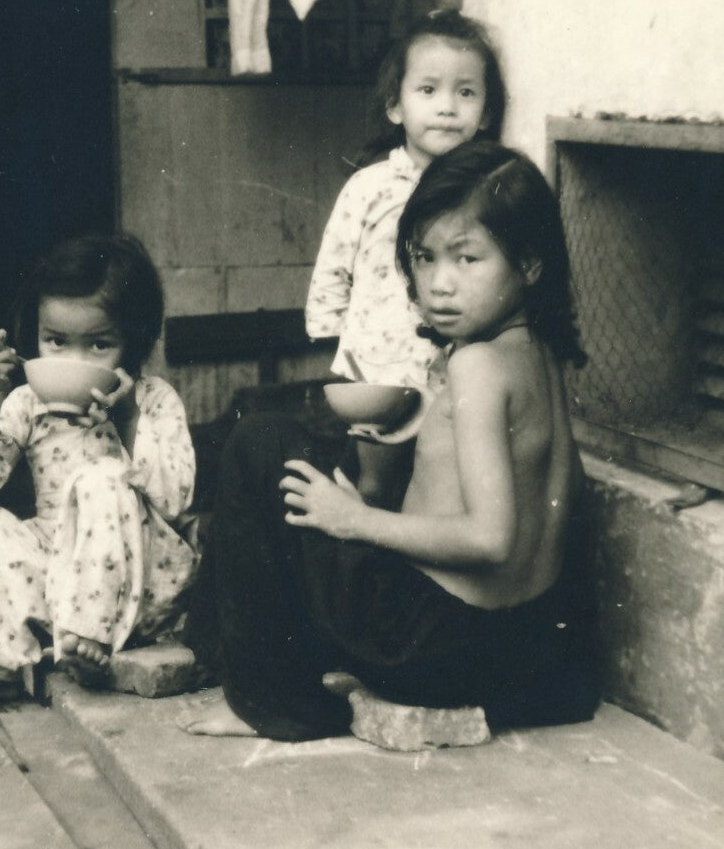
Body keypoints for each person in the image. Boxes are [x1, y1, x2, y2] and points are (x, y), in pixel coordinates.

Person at [185, 140, 601, 741]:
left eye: (467, 259)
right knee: (326, 464)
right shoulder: (541, 356)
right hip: (517, 648)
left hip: (425, 645)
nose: (439, 285)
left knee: (259, 441)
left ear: (530, 264)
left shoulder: (478, 367)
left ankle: (273, 702)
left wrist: (354, 521)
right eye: (425, 258)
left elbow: (489, 537)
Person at [0, 233, 197, 717]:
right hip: (56, 568)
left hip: (140, 579)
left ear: (135, 341)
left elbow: (177, 499)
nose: (72, 363)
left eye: (99, 345)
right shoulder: (28, 402)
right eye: (55, 341)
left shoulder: (152, 400)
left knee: (101, 477)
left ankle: (89, 639)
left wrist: (127, 422)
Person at [305, 10, 507, 501]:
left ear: (484, 114)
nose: (447, 108)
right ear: (396, 107)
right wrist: (333, 341)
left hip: (450, 362)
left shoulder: (485, 191)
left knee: (439, 478)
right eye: (428, 90)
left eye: (466, 93)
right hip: (379, 360)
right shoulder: (370, 186)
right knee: (375, 479)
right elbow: (335, 262)